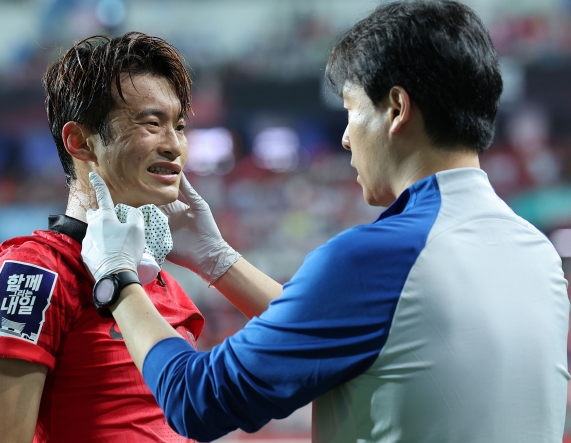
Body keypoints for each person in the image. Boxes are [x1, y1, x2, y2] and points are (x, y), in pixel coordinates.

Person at [80, 2, 570, 442]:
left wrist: (119, 280)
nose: (345, 139)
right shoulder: (537, 253)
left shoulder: (380, 258)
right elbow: (362, 332)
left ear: (396, 109)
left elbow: (199, 401)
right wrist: (219, 260)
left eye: (352, 112)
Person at [0, 32, 277, 443]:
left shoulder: (162, 284)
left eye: (180, 126)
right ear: (80, 142)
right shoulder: (32, 274)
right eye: (152, 124)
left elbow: (313, 337)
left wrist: (219, 259)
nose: (174, 146)